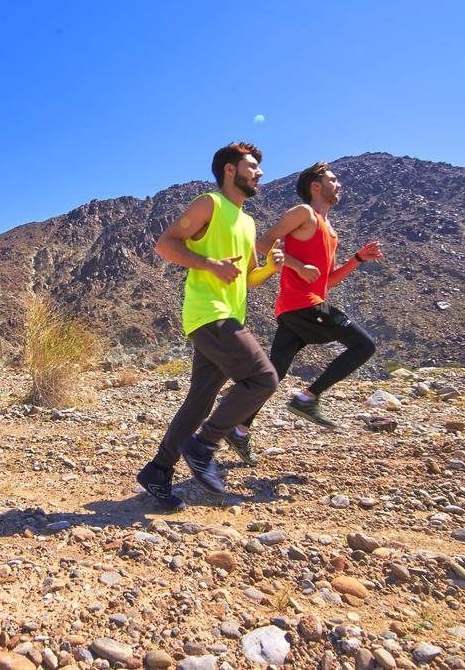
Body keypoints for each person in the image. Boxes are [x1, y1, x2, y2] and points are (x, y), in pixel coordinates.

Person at [137, 142, 283, 510]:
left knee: (200, 401)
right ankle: (204, 445)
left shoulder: (248, 222)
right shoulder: (209, 204)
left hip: (229, 315)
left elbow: (249, 278)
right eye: (252, 166)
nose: (260, 172)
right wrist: (210, 264)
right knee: (263, 378)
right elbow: (166, 245)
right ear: (230, 170)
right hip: (208, 313)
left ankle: (158, 470)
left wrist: (270, 268)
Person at [227, 162, 382, 447]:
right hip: (303, 305)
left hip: (300, 307)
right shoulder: (303, 213)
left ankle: (238, 429)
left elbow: (327, 282)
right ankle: (307, 398)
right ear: (316, 186)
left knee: (273, 374)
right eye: (332, 180)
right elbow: (263, 243)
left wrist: (357, 259)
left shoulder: (331, 231)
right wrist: (296, 266)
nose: (339, 184)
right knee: (365, 345)